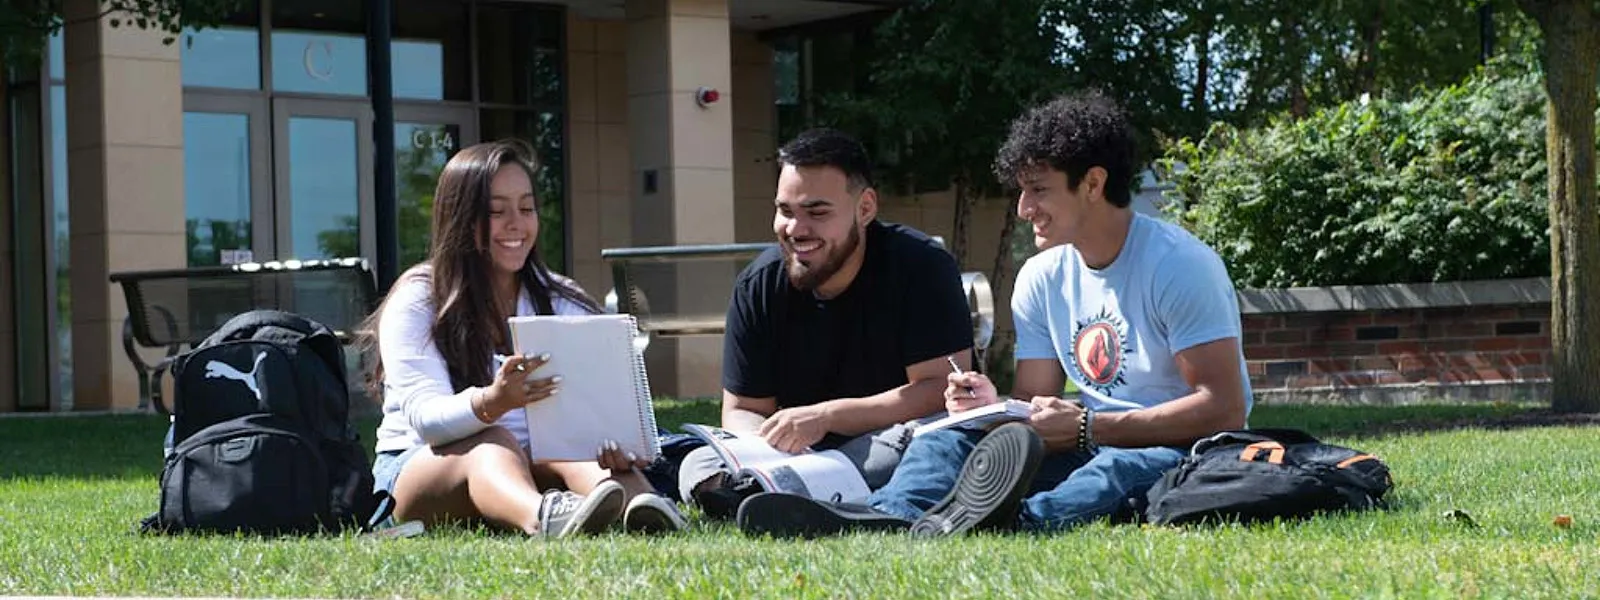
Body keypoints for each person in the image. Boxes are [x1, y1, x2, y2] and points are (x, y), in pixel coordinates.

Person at [736, 91, 1253, 537]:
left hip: (1178, 450)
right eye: (1020, 191)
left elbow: (1225, 409)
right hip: (1089, 437)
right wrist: (994, 405)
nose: (1023, 209)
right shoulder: (1041, 276)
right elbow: (1033, 404)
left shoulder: (1178, 265)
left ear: (1092, 184)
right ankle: (887, 516)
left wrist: (1088, 428)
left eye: (1038, 190)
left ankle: (1016, 522)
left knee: (1112, 474)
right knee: (944, 435)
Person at [365, 140, 685, 537]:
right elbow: (426, 421)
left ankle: (644, 510)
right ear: (460, 218)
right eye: (497, 212)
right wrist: (493, 401)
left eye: (527, 208)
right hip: (421, 469)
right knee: (492, 442)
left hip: (533, 462)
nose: (516, 224)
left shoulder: (559, 297)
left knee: (581, 457)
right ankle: (547, 517)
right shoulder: (419, 297)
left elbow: (603, 400)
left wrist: (616, 441)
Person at [677, 128, 977, 518]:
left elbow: (939, 391)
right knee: (694, 462)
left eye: (817, 213)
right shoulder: (758, 284)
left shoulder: (921, 267)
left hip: (888, 438)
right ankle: (790, 492)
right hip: (794, 456)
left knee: (928, 439)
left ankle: (777, 497)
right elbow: (743, 409)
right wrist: (768, 445)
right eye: (786, 211)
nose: (796, 230)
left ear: (865, 208)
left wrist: (826, 417)